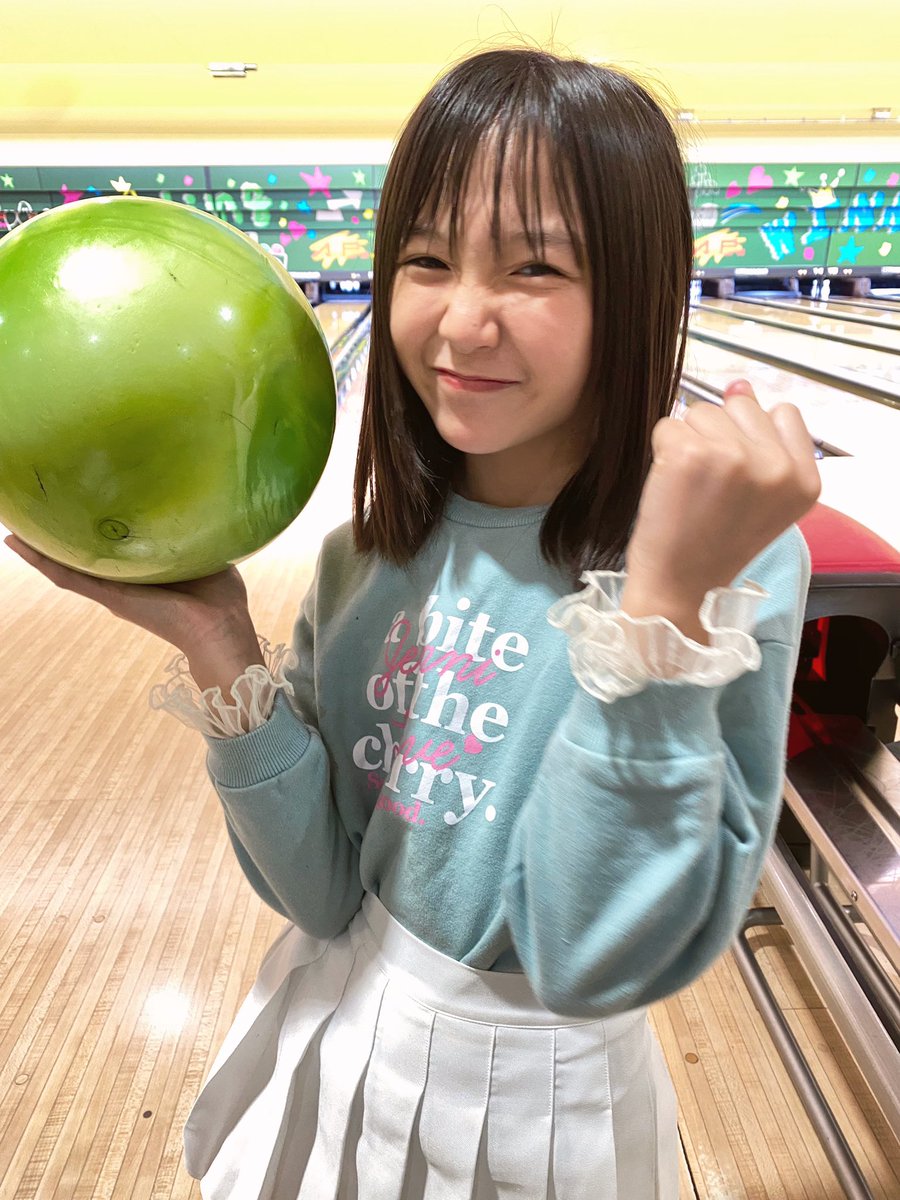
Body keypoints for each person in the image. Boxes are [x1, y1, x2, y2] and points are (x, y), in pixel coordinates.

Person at [5, 47, 821, 1200]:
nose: (462, 321)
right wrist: (218, 643)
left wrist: (662, 614)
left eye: (535, 267)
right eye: (427, 259)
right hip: (342, 1032)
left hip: (546, 1109)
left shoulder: (728, 572)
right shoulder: (368, 557)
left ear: (636, 290)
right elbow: (322, 894)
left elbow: (588, 959)